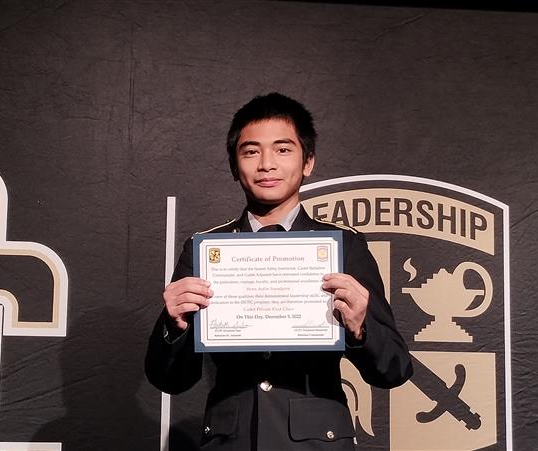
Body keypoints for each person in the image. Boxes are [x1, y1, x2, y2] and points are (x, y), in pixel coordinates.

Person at [145, 93, 413, 450]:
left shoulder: (344, 247)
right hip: (231, 441)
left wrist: (361, 329)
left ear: (308, 162)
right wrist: (173, 325)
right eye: (251, 151)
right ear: (233, 165)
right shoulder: (205, 250)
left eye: (283, 150)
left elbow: (394, 370)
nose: (266, 164)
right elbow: (170, 380)